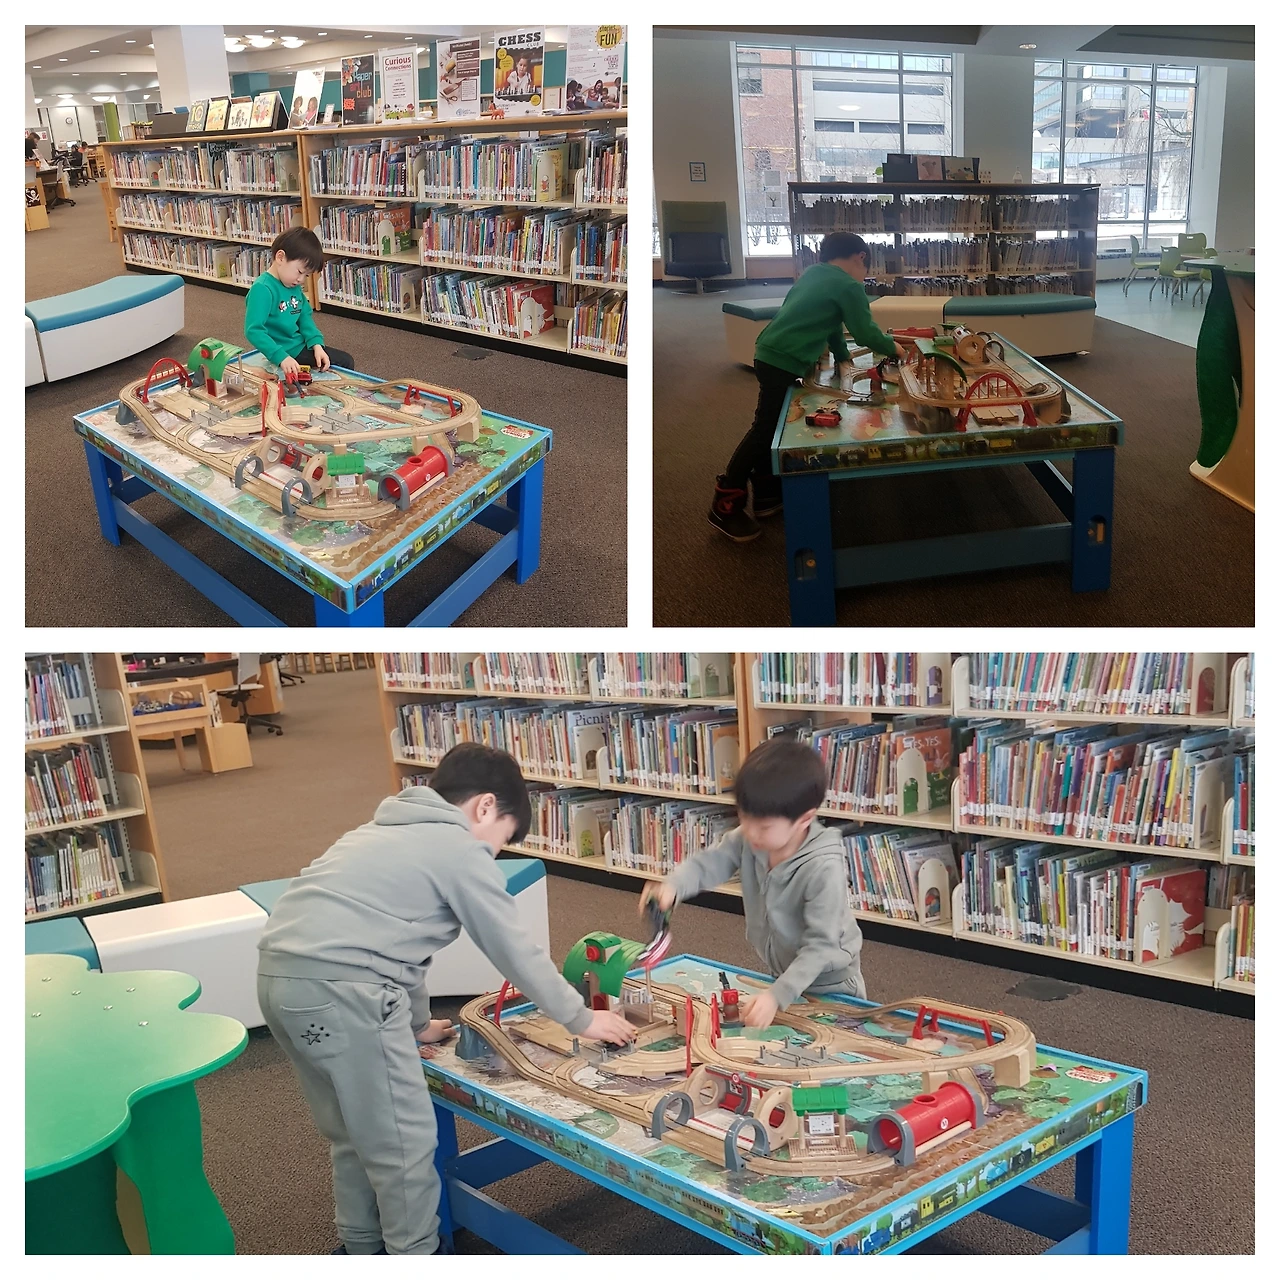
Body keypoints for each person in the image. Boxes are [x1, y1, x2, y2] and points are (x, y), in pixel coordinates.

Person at [257, 743, 635, 1255]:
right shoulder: (458, 848)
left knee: (353, 1133)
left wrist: (415, 1025)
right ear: (485, 806)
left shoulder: (378, 832)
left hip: (281, 983)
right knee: (404, 1146)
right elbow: (512, 948)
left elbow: (398, 951)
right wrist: (580, 1018)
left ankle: (360, 1247)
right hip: (347, 995)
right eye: (501, 840)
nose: (494, 855)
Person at [640, 738, 865, 1025]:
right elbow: (711, 862)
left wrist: (778, 995)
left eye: (764, 826)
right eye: (744, 818)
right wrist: (674, 885)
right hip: (783, 973)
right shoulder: (752, 837)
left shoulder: (823, 868)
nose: (750, 832)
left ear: (804, 819)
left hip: (832, 986)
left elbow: (821, 946)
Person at [708, 231, 907, 542]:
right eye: (866, 267)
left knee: (773, 427)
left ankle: (766, 495)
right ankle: (724, 505)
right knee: (763, 430)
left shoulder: (813, 273)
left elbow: (831, 324)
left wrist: (843, 357)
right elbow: (866, 333)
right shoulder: (849, 285)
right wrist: (895, 348)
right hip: (784, 360)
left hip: (768, 352)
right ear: (861, 257)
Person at [244, 226, 354, 376]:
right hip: (285, 351)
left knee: (337, 361)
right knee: (346, 362)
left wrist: (316, 344)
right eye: (300, 272)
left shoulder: (292, 284)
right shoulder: (262, 289)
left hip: (299, 345)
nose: (301, 280)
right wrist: (281, 357)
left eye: (306, 276)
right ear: (280, 257)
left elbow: (304, 317)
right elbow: (253, 330)